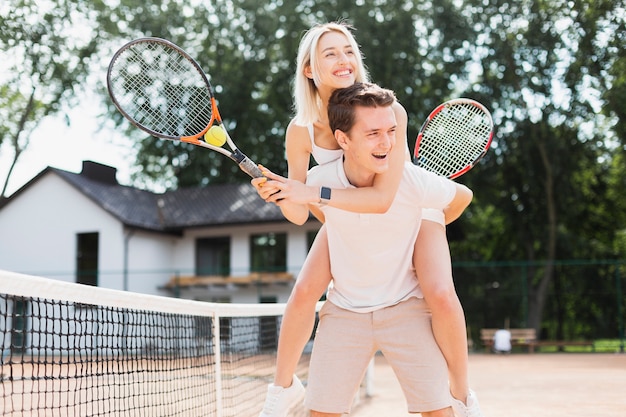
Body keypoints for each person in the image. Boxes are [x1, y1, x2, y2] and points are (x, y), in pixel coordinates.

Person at [254, 22, 481, 417]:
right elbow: (298, 213)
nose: (344, 60)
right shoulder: (301, 130)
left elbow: (385, 195)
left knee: (441, 295)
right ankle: (282, 389)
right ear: (309, 69)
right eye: (330, 53)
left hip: (401, 204)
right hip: (345, 212)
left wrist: (309, 193)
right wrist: (280, 194)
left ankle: (462, 396)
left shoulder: (385, 108)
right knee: (305, 291)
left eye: (348, 51)